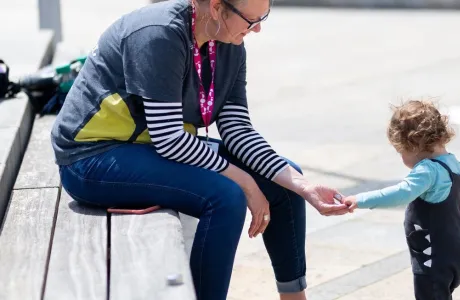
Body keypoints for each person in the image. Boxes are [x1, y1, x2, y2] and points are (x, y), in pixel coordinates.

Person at [50, 0, 350, 299]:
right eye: (251, 20)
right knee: (225, 196)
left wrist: (304, 186)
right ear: (217, 8)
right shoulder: (160, 34)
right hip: (92, 156)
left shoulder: (229, 41)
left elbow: (237, 131)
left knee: (284, 182)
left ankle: (294, 297)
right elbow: (170, 139)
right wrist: (244, 182)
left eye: (264, 17)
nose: (257, 29)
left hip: (151, 145)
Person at [341, 100, 460, 300]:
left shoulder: (428, 171)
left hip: (434, 259)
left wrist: (360, 199)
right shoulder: (458, 166)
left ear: (413, 145)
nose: (401, 157)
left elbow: (400, 193)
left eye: (400, 151)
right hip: (459, 254)